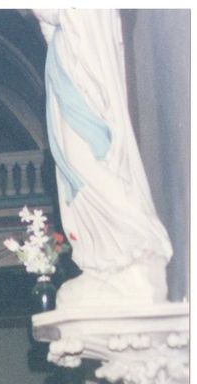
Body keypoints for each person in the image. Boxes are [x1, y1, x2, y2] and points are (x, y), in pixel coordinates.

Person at [34, 9, 173, 307]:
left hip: (83, 70)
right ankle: (106, 262)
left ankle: (134, 242)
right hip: (67, 60)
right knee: (76, 165)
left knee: (87, 162)